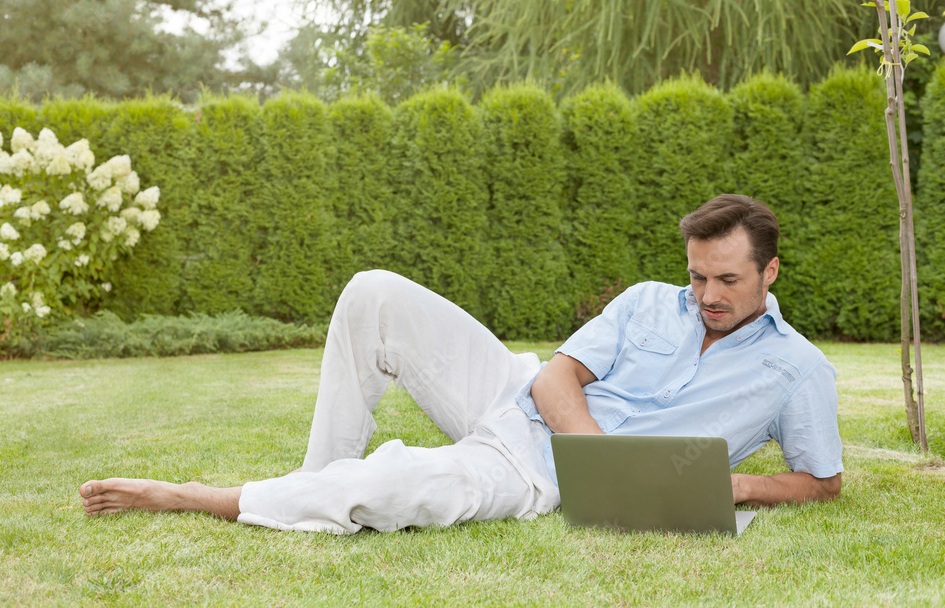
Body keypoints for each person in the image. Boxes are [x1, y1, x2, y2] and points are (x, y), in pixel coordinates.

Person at [80, 194, 843, 533]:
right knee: (375, 292)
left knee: (394, 484)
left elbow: (821, 480)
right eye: (697, 276)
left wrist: (737, 484)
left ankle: (195, 497)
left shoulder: (797, 370)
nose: (706, 295)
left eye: (727, 280)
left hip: (533, 471)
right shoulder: (649, 300)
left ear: (770, 271)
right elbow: (557, 377)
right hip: (519, 392)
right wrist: (601, 456)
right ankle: (312, 478)